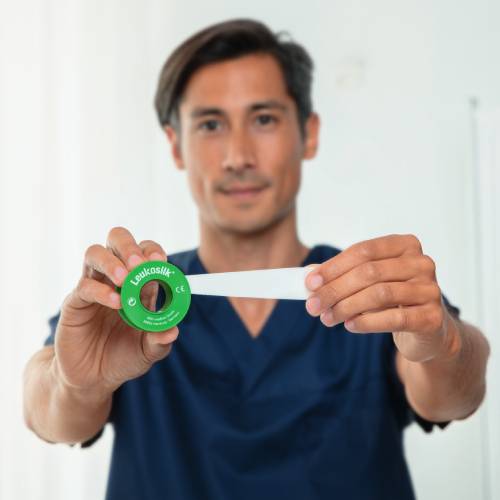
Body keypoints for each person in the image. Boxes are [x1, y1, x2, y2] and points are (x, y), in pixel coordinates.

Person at [23, 18, 490, 500]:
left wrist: (445, 342)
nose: (238, 156)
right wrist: (74, 384)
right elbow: (45, 411)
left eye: (264, 119)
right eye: (210, 125)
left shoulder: (366, 289)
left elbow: (454, 396)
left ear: (308, 133)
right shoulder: (136, 301)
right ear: (175, 145)